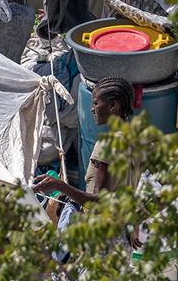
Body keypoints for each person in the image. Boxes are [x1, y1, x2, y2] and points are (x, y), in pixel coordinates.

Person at [32, 76, 143, 250]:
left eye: (96, 103)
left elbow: (99, 201)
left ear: (113, 106)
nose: (92, 109)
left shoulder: (107, 144)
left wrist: (60, 186)